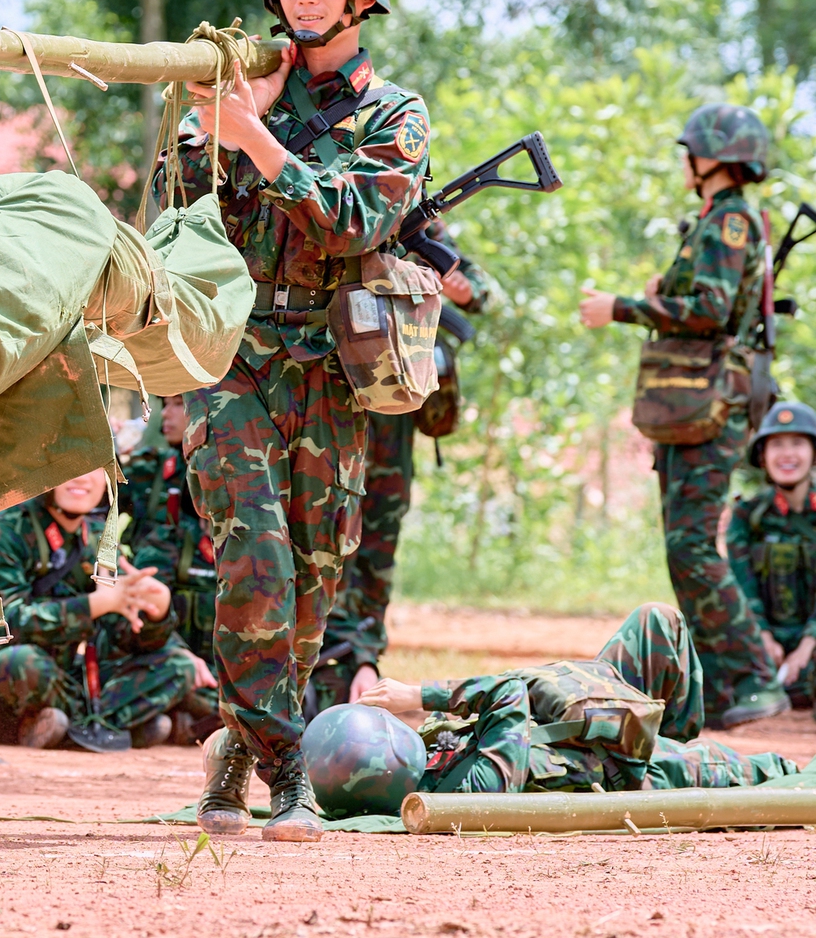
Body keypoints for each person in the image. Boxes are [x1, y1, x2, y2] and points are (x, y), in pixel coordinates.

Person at [151, 0, 431, 840]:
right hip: (231, 358)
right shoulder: (240, 98)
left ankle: (236, 750)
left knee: (312, 584)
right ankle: (286, 769)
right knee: (255, 562)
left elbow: (353, 221)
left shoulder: (396, 114)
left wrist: (257, 136)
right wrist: (218, 125)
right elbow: (180, 206)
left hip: (333, 369)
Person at [579, 103, 789, 728]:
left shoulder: (730, 222)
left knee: (694, 547)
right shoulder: (713, 221)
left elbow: (713, 309)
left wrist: (623, 307)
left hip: (713, 404)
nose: (685, 163)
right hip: (694, 406)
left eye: (690, 152)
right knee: (683, 548)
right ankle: (722, 687)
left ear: (711, 158)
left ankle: (752, 677)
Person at [306, 221, 493, 713]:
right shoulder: (342, 211)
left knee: (380, 535)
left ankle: (364, 654)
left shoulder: (418, 225)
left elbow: (483, 294)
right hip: (335, 392)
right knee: (328, 530)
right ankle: (326, 659)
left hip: (391, 406)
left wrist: (461, 287)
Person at [355, 604, 799, 792]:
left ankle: (666, 732)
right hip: (623, 763)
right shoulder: (472, 783)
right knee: (772, 772)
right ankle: (669, 746)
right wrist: (420, 694)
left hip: (586, 716)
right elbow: (508, 693)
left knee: (657, 621)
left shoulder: (431, 759)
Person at [0, 469, 211, 750]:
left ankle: (78, 726)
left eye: (94, 469)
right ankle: (115, 722)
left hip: (69, 680)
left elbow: (124, 636)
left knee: (177, 666)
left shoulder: (98, 537)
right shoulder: (1, 531)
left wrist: (157, 613)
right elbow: (5, 625)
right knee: (23, 662)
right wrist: (95, 605)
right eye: (67, 466)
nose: (81, 478)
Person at [120, 397, 220, 744]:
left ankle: (185, 720)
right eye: (166, 404)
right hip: (165, 640)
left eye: (179, 405)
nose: (166, 414)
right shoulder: (152, 472)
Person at [729, 399, 816, 708]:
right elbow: (740, 585)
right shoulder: (747, 515)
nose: (787, 454)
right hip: (762, 640)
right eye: (777, 444)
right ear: (763, 456)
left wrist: (806, 648)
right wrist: (763, 638)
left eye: (797, 443)